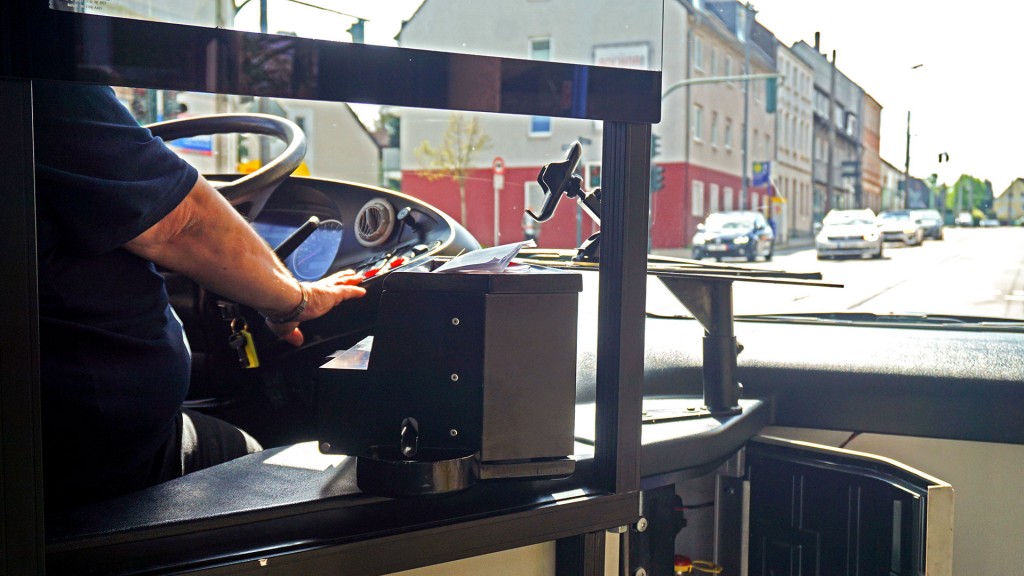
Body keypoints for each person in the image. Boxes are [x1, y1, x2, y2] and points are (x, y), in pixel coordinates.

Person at [33, 80, 366, 513]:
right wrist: (294, 299)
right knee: (265, 459)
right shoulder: (42, 80)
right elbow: (184, 223)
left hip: (57, 439)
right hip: (104, 456)